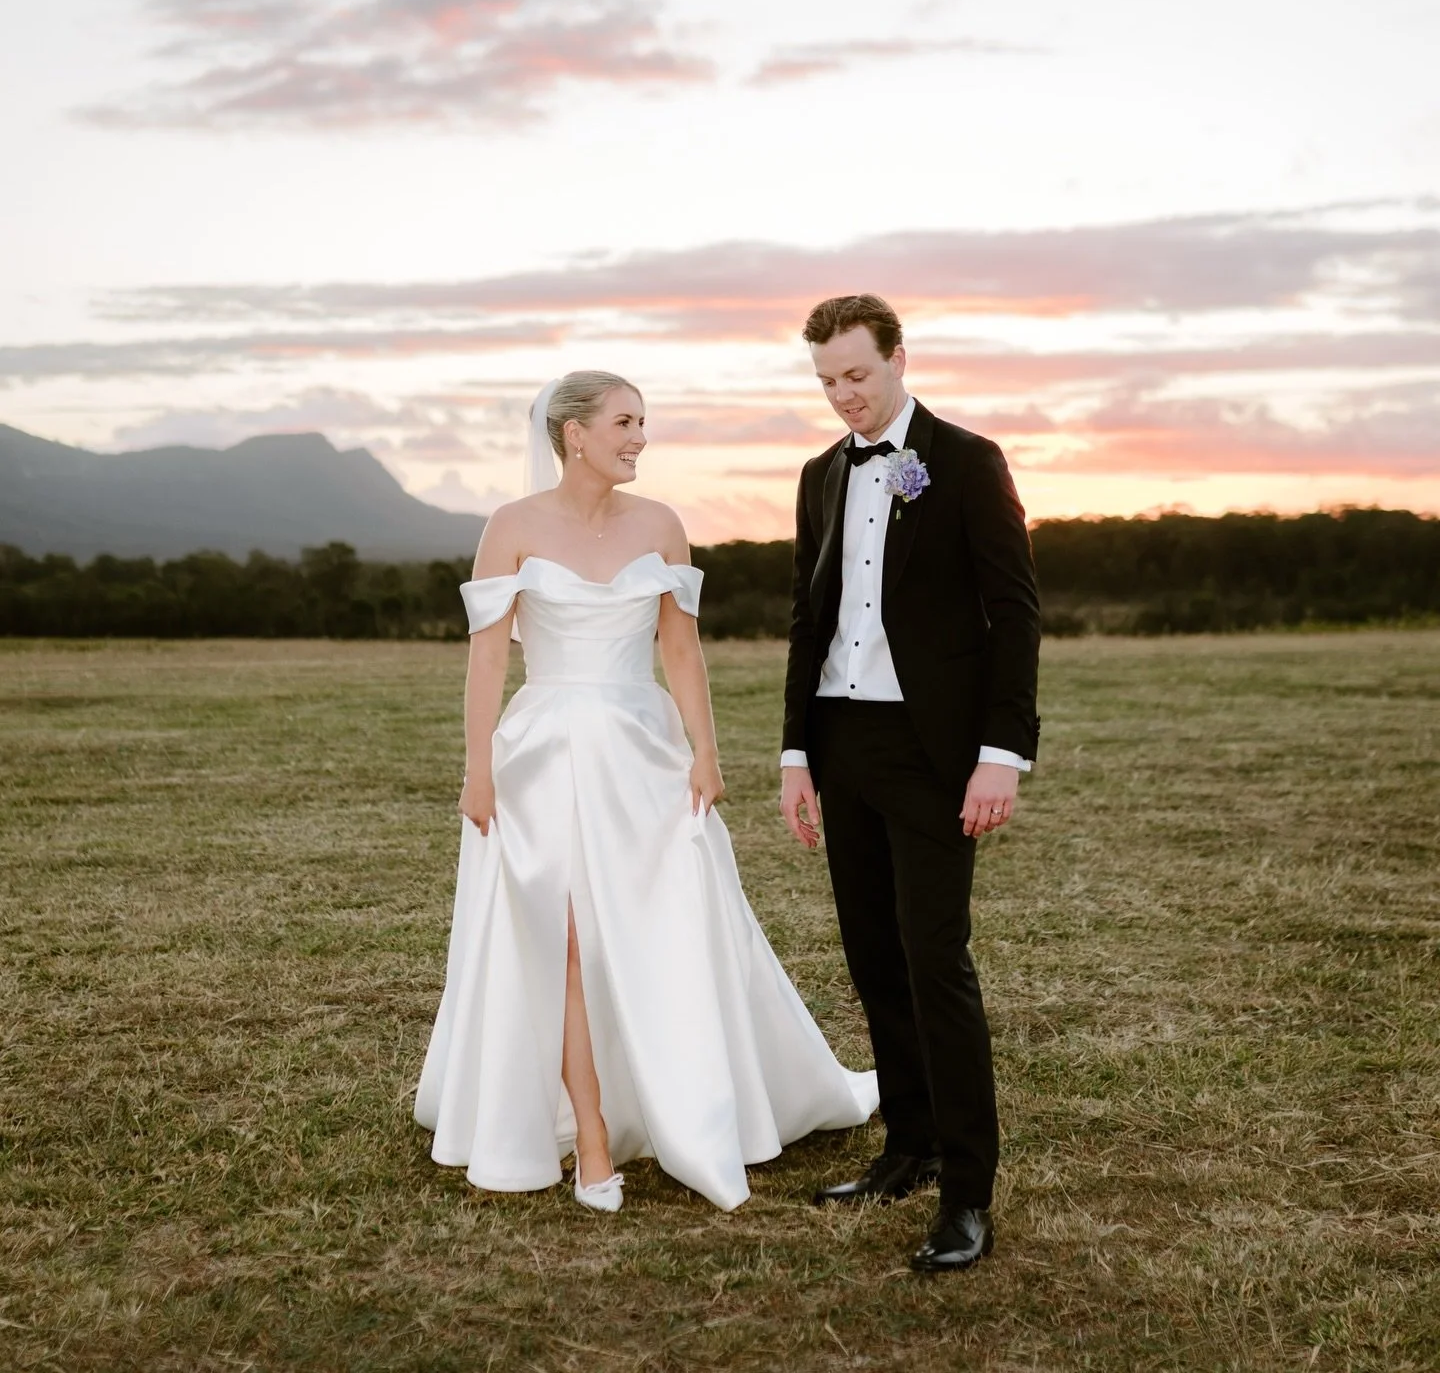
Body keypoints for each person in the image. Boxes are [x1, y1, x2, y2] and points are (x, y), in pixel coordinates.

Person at [414, 370, 877, 1212]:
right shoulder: (510, 527)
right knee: (562, 941)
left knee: (667, 925)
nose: (639, 438)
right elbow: (486, 656)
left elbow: (681, 650)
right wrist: (476, 767)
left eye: (642, 423)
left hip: (643, 753)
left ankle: (685, 1097)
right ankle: (590, 1140)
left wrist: (705, 751)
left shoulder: (662, 525)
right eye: (625, 422)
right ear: (574, 434)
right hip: (543, 753)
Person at [778, 295, 1041, 1273]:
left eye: (858, 375)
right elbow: (808, 621)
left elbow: (1014, 616)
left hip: (936, 755)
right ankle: (911, 1148)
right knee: (873, 957)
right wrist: (796, 755)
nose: (844, 396)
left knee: (937, 963)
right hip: (841, 748)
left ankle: (968, 1195)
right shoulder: (816, 477)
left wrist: (1002, 755)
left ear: (897, 358)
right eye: (828, 381)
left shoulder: (968, 462)